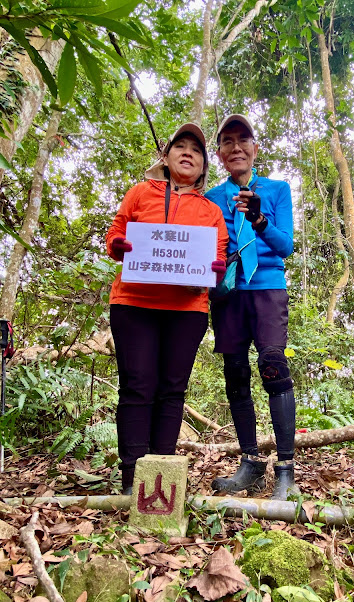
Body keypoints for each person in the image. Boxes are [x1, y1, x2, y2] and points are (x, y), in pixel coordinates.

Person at [106, 123, 228, 495]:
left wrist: (215, 268)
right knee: (137, 387)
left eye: (197, 149)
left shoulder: (210, 211)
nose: (188, 152)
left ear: (204, 165)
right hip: (134, 303)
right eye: (181, 146)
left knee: (172, 390)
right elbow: (115, 233)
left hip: (187, 309)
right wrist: (120, 245)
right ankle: (131, 480)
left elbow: (218, 254)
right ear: (167, 154)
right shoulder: (140, 193)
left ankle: (158, 482)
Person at [205, 114, 298, 501]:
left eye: (244, 140)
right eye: (228, 141)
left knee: (273, 365)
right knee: (235, 372)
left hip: (267, 289)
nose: (236, 147)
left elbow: (285, 246)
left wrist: (259, 219)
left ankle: (286, 470)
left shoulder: (277, 189)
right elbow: (205, 245)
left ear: (255, 148)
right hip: (228, 294)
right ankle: (250, 464)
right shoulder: (211, 197)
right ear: (221, 154)